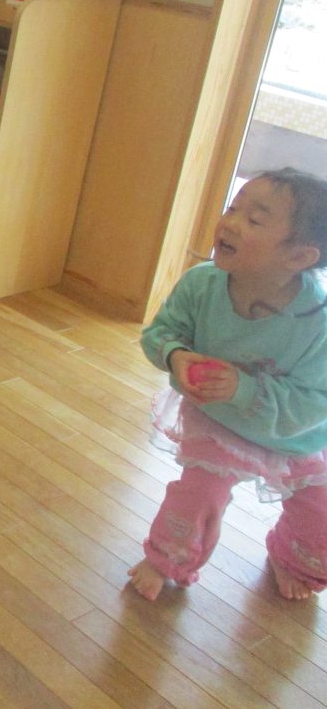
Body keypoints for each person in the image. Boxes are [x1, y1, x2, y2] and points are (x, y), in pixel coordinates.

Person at [128, 168, 327, 602]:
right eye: (233, 208)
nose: (231, 223)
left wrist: (243, 389)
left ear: (298, 257)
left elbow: (314, 402)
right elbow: (160, 332)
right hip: (219, 422)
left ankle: (292, 557)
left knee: (320, 518)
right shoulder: (202, 284)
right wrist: (175, 355)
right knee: (197, 496)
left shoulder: (319, 322)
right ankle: (166, 559)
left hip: (296, 437)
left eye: (254, 220)